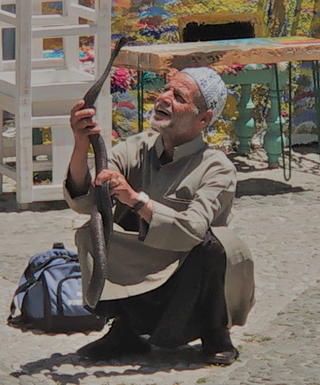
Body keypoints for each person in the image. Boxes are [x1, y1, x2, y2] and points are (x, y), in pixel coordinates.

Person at [64, 66, 255, 365]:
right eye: (166, 89)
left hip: (187, 285)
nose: (163, 98)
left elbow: (192, 230)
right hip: (144, 276)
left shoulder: (216, 167)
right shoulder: (136, 148)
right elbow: (85, 200)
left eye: (178, 96)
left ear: (203, 119)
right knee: (96, 226)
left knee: (216, 244)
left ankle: (215, 332)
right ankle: (124, 329)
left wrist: (137, 199)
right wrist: (80, 143)